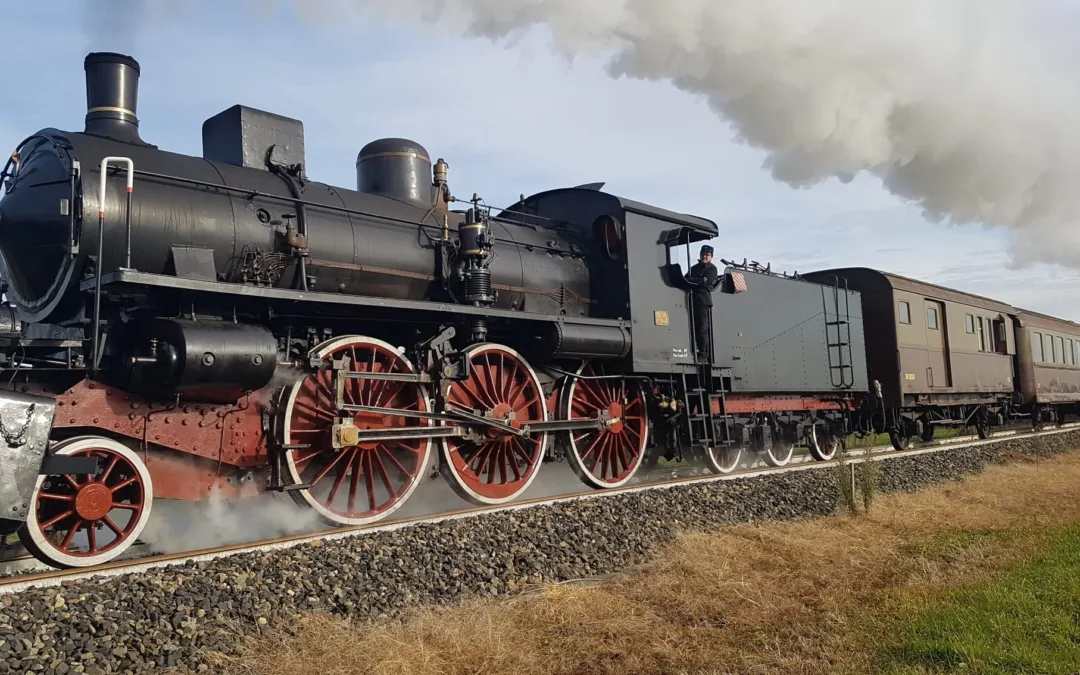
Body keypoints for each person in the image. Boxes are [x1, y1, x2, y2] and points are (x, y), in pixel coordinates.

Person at [688, 245, 720, 361]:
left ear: (711, 256)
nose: (704, 256)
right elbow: (686, 279)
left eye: (707, 255)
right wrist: (698, 280)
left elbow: (706, 283)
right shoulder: (694, 268)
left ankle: (704, 353)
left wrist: (694, 281)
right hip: (691, 299)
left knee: (702, 327)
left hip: (703, 300)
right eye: (703, 254)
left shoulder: (712, 269)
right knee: (691, 326)